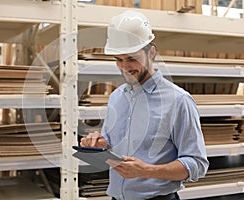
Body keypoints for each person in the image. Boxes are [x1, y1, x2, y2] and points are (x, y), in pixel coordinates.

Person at [80, 10, 209, 200]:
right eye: (118, 59)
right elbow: (112, 145)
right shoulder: (116, 98)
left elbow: (197, 164)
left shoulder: (178, 100)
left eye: (132, 58)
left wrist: (147, 170)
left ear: (152, 52)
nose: (124, 67)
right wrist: (100, 145)